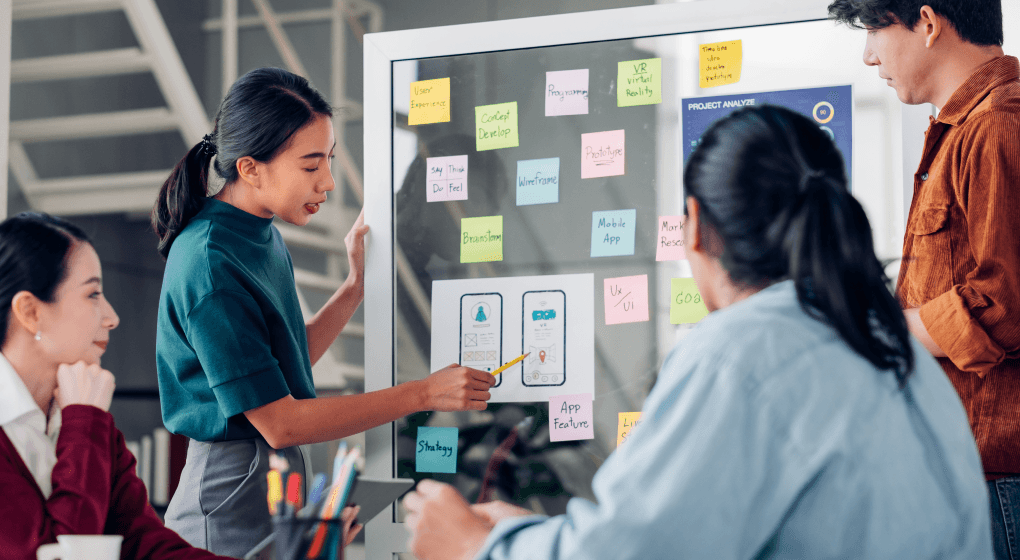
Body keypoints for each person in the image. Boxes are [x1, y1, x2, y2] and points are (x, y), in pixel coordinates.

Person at [402, 106, 993, 559]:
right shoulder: (892, 352)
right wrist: (532, 533)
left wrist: (478, 546)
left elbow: (636, 552)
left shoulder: (744, 352)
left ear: (696, 229)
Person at [151, 67, 495, 558]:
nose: (328, 182)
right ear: (250, 168)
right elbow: (280, 422)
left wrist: (354, 289)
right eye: (311, 166)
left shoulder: (257, 230)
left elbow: (283, 366)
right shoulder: (210, 262)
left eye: (329, 161)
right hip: (228, 500)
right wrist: (424, 391)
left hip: (271, 482)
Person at [827, 2, 1020, 557]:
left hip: (999, 475)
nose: (869, 56)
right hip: (973, 469)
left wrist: (881, 325)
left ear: (929, 23)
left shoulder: (996, 126)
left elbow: (1004, 306)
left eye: (873, 31)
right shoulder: (963, 130)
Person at [0, 212, 236, 560]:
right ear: (31, 312)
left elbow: (145, 545)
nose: (111, 317)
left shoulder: (87, 421)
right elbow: (60, 555)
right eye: (93, 294)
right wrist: (83, 422)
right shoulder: (86, 420)